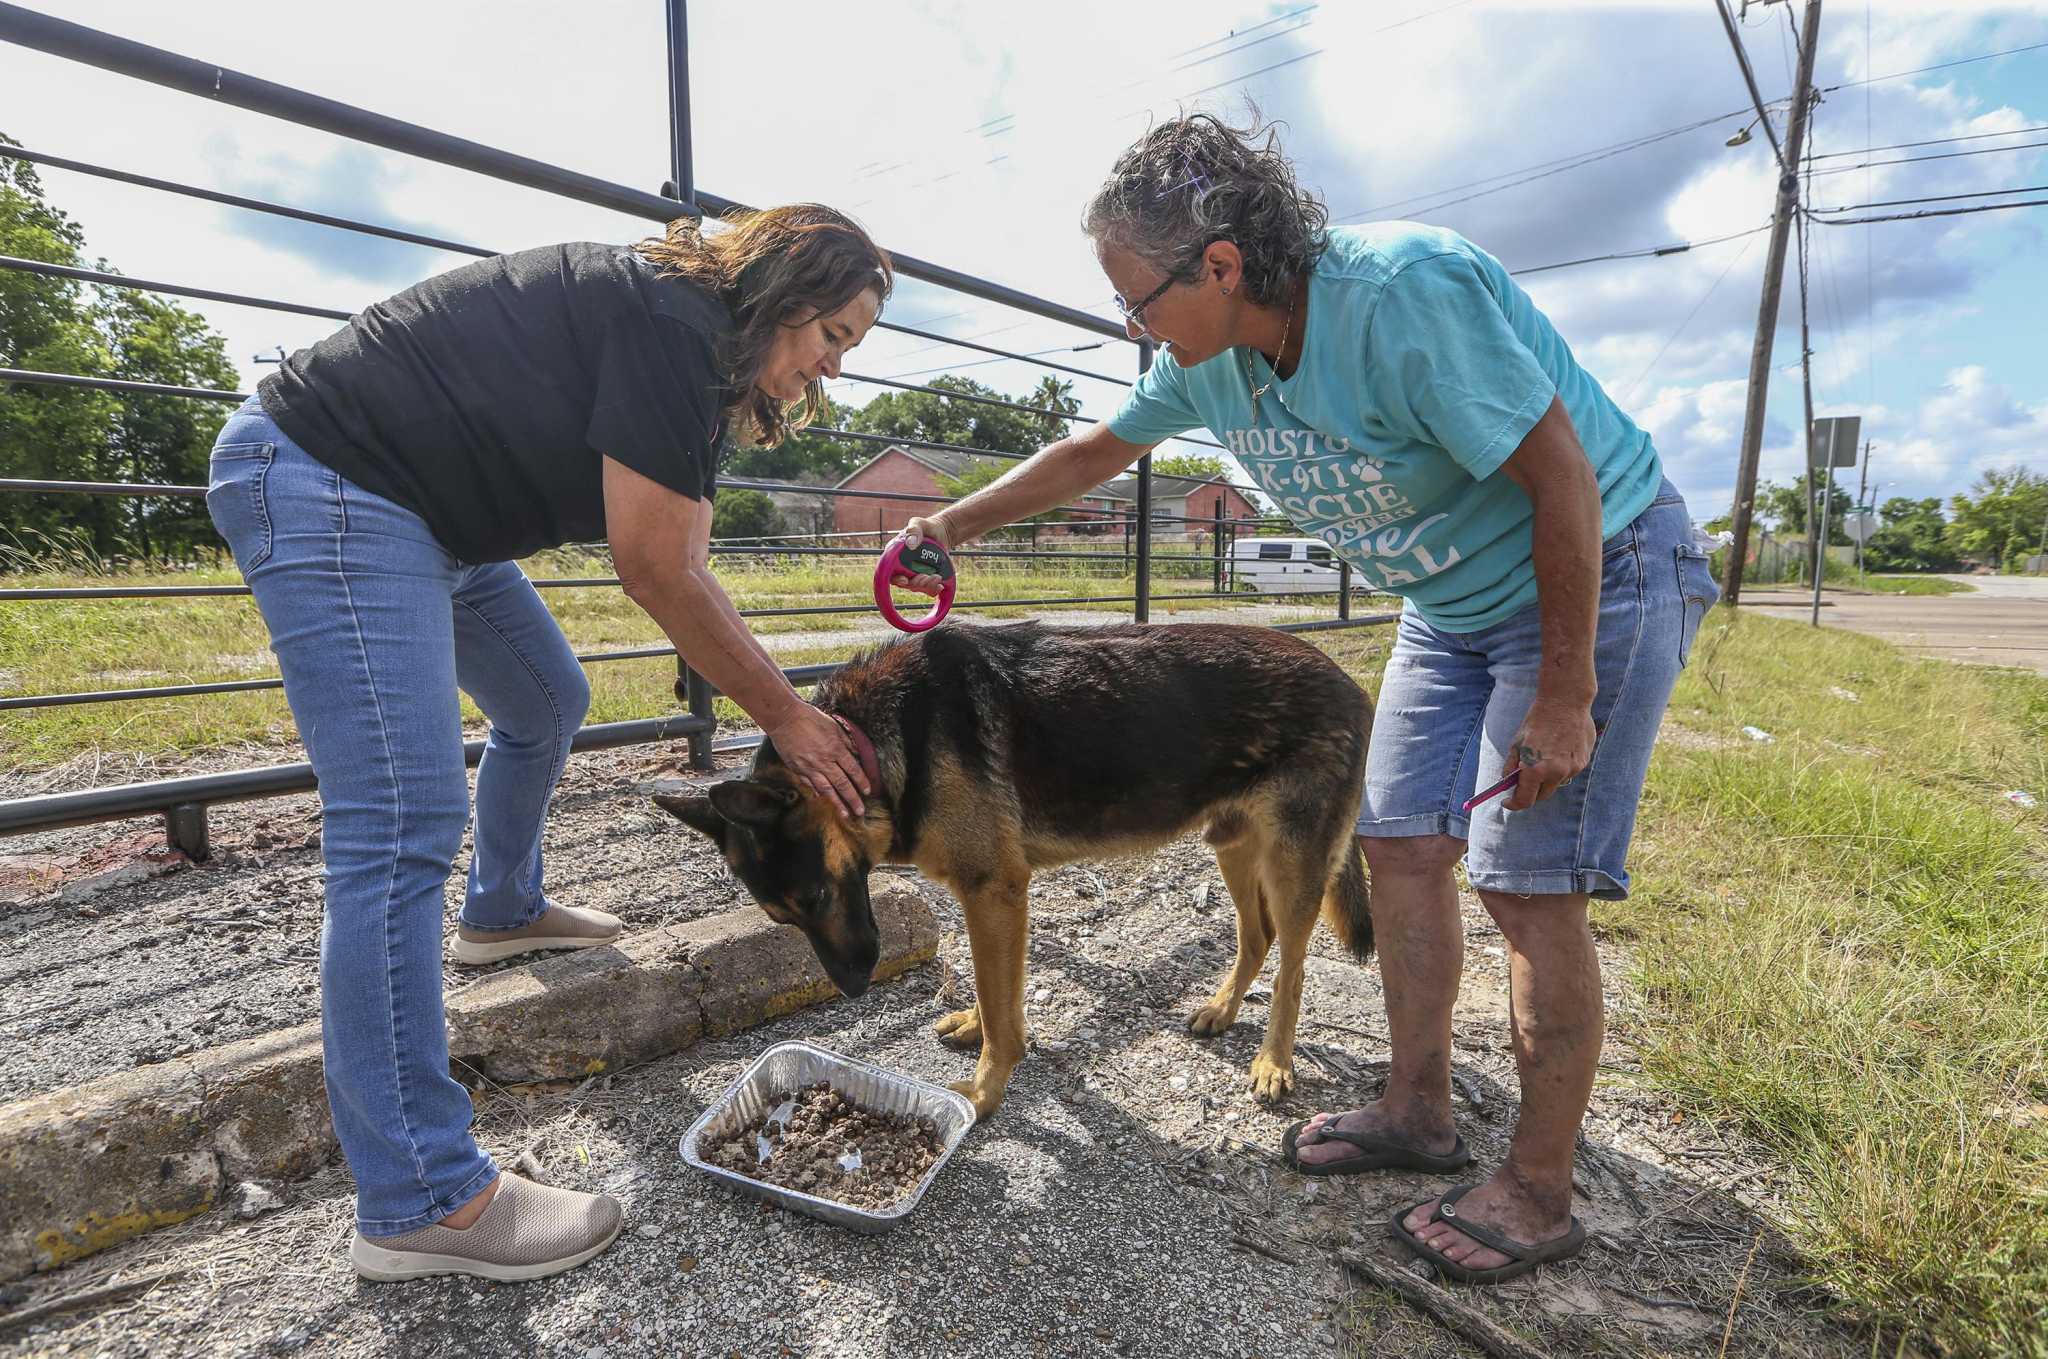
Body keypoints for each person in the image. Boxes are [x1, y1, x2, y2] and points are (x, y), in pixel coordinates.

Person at [895, 114, 1718, 1285]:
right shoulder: (1206, 363)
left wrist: (1567, 690)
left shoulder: (1402, 293)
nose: (1133, 330)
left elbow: (1560, 476)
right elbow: (1091, 453)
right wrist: (945, 523)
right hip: (1447, 602)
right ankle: (1417, 1112)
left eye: (1138, 301)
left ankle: (1537, 1190)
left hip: (1599, 567)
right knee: (1395, 849)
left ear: (1221, 266)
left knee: (1526, 887)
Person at [205, 204, 888, 1282]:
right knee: (397, 830)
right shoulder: (673, 322)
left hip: (438, 516)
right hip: (334, 481)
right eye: (832, 338)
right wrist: (789, 719)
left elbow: (683, 549)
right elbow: (659, 570)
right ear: (787, 290)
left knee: (543, 697)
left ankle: (504, 910)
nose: (827, 371)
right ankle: (420, 1197)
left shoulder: (697, 353)